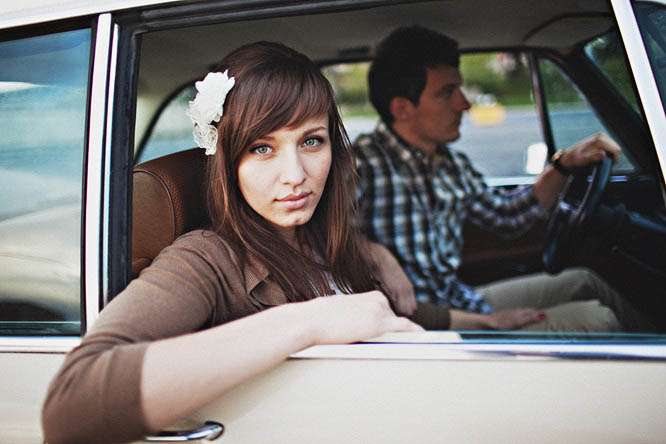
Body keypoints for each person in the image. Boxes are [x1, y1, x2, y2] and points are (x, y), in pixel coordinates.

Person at [42, 41, 436, 444]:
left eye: (311, 141)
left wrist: (479, 326)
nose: (295, 175)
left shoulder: (324, 237)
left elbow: (385, 317)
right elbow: (71, 406)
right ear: (228, 161)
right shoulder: (206, 258)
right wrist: (309, 322)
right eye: (262, 148)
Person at [354, 26, 654, 331]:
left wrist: (564, 164)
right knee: (597, 319)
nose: (464, 104)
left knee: (585, 281)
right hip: (423, 330)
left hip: (459, 300)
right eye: (446, 93)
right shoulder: (361, 164)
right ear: (402, 108)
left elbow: (507, 216)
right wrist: (376, 254)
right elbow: (329, 241)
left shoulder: (450, 163)